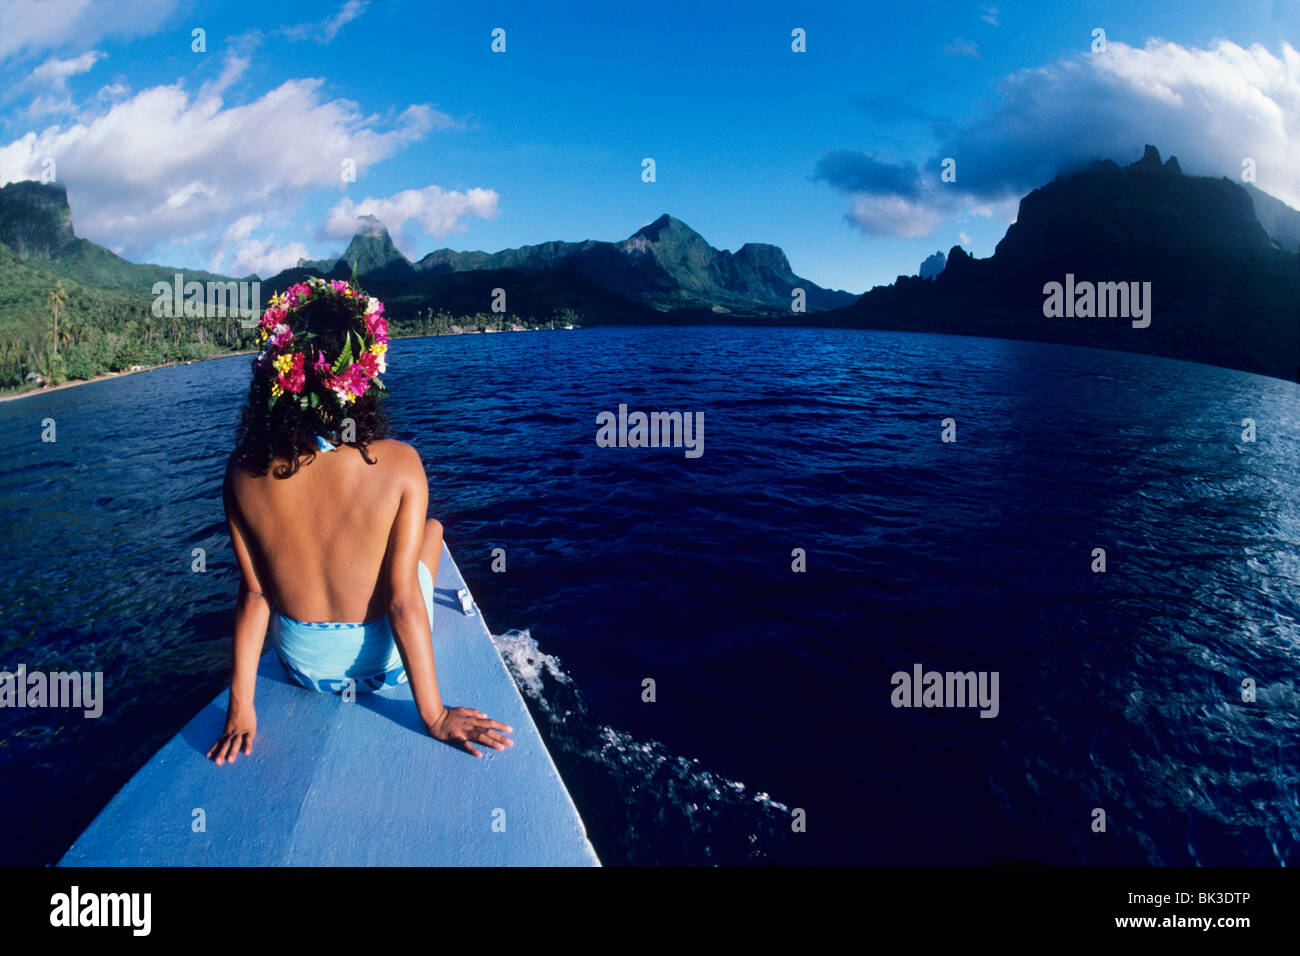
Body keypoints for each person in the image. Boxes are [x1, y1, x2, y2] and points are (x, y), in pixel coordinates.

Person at [207, 277, 513, 765]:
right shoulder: (399, 464)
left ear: (277, 373)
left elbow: (256, 594)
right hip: (384, 670)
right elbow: (402, 603)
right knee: (432, 531)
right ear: (362, 376)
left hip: (302, 668)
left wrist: (240, 708)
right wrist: (433, 715)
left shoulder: (242, 471)